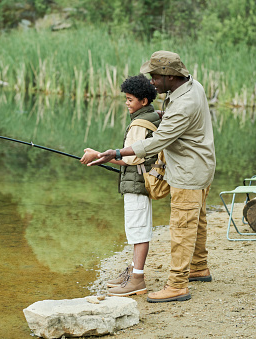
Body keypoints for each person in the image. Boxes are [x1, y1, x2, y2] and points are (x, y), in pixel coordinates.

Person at [87, 51, 216, 303]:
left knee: (182, 227)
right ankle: (199, 267)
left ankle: (177, 284)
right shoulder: (193, 86)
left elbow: (156, 142)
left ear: (169, 76)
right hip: (203, 166)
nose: (152, 81)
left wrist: (115, 152)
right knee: (197, 220)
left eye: (155, 76)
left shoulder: (184, 104)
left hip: (188, 173)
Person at [80, 74, 160, 297]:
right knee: (138, 229)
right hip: (141, 182)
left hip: (136, 184)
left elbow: (130, 158)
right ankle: (133, 272)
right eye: (126, 99)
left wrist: (99, 155)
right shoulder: (154, 116)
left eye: (130, 99)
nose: (127, 103)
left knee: (138, 231)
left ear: (143, 101)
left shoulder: (139, 123)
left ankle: (137, 279)